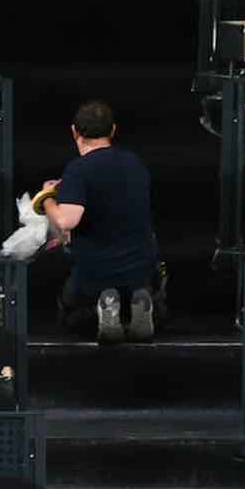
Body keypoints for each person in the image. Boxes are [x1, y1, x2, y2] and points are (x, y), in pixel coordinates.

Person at [32, 101, 164, 343]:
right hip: (140, 269)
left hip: (96, 274)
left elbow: (66, 221)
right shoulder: (135, 163)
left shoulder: (79, 170)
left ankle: (101, 309)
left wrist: (48, 198)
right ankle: (138, 303)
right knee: (149, 293)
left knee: (69, 314)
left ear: (74, 132)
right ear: (113, 130)